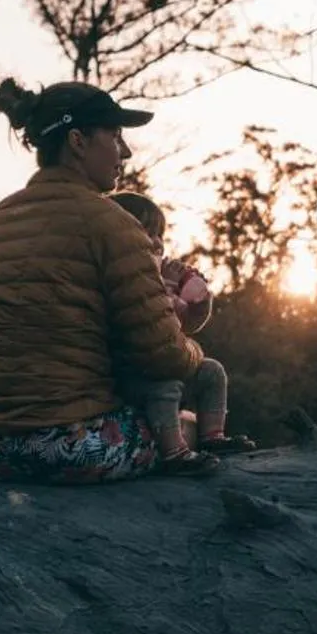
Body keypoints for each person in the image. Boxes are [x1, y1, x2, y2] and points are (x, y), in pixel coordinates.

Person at [0, 79, 220, 481]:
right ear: (77, 141)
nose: (126, 151)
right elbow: (163, 356)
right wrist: (192, 347)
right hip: (62, 448)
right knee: (185, 424)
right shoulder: (114, 225)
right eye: (116, 136)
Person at [106, 192, 253, 460]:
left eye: (160, 234)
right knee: (166, 386)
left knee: (212, 372)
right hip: (131, 373)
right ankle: (174, 452)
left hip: (167, 360)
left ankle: (212, 437)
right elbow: (150, 315)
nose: (157, 242)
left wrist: (199, 303)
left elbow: (188, 324)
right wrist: (172, 291)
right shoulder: (123, 276)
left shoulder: (161, 274)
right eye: (148, 233)